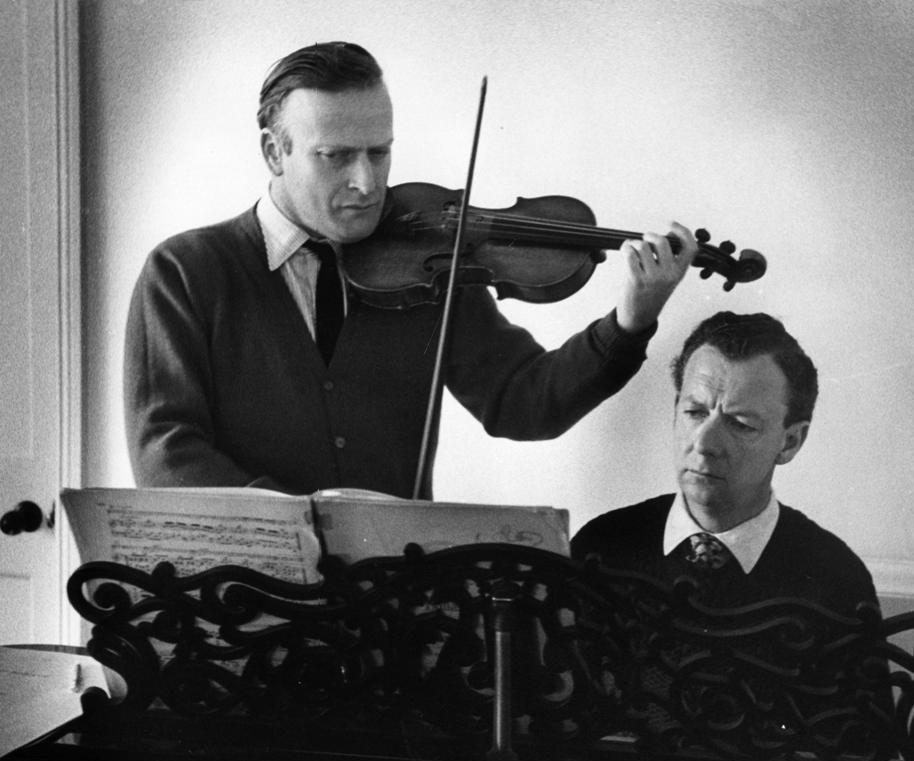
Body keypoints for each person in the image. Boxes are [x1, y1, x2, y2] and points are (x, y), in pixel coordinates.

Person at [124, 41, 697, 499]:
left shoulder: (429, 271)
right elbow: (167, 453)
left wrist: (629, 321)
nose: (368, 184)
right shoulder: (187, 271)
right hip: (243, 598)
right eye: (336, 156)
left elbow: (524, 400)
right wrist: (300, 533)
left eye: (379, 152)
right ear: (275, 152)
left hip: (387, 609)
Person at [572, 309, 877, 613]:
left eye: (741, 424)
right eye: (694, 413)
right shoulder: (600, 546)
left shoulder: (839, 580)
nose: (704, 444)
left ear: (790, 442)